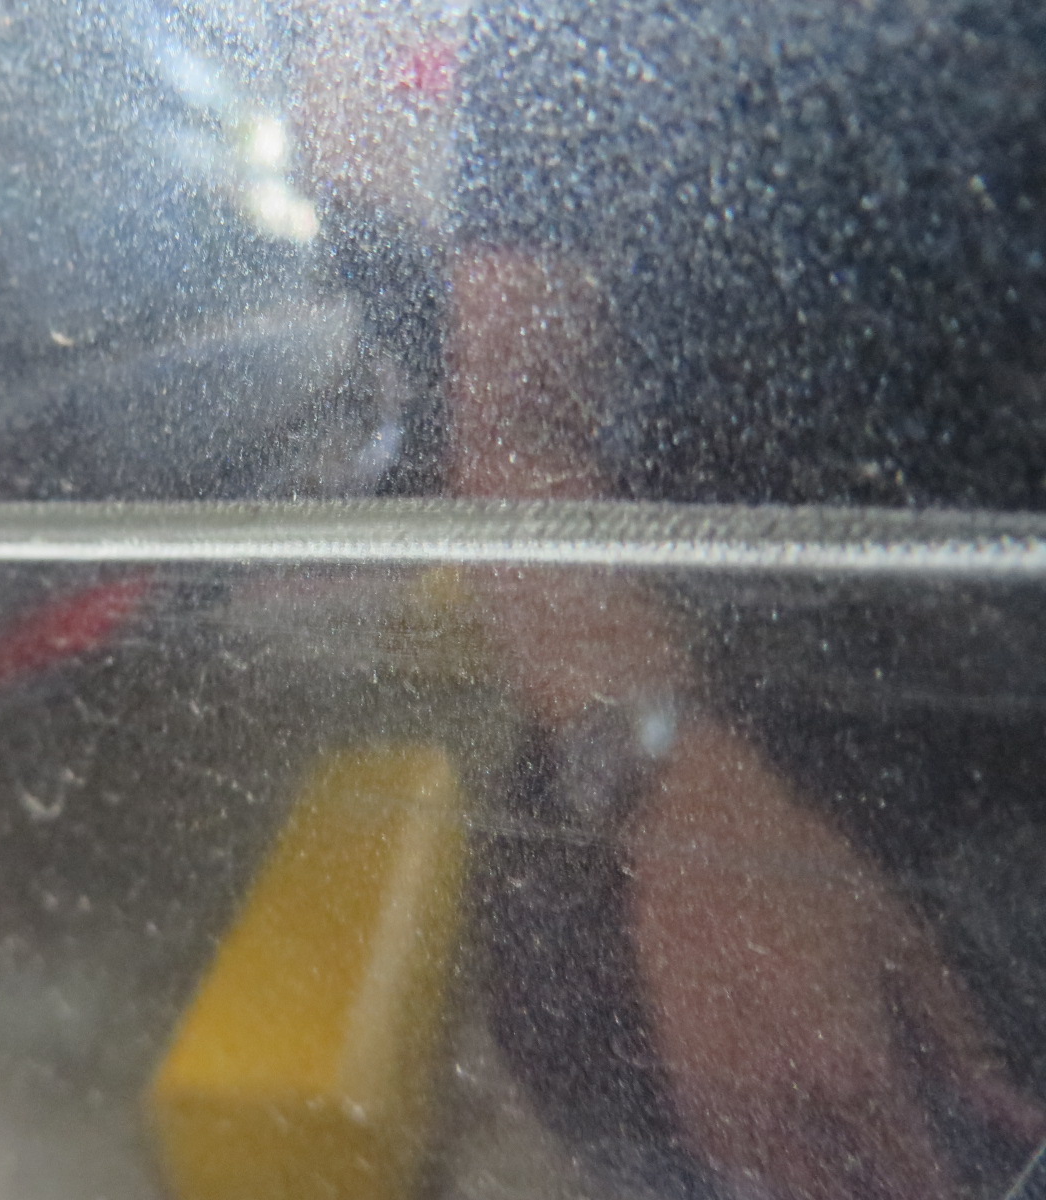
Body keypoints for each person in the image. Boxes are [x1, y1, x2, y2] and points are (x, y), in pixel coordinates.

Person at [443, 1, 1046, 1196]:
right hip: (728, 703)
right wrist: (683, 797)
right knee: (595, 997)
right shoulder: (565, 31)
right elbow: (515, 422)